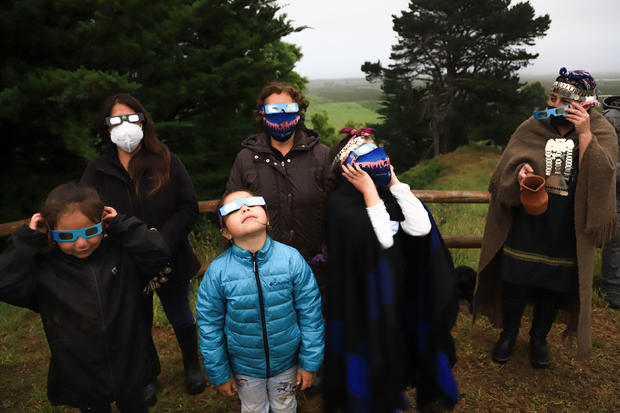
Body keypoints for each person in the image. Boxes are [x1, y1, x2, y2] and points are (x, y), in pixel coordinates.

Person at [474, 68, 618, 368]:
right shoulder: (533, 126)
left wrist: (585, 135)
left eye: (562, 100)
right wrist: (521, 172)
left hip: (567, 225)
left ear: (585, 105)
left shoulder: (602, 130)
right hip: (529, 219)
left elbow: (603, 176)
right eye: (552, 98)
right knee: (515, 279)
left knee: (554, 285)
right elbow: (508, 165)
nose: (554, 105)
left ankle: (539, 338)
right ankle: (509, 335)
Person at [0, 183, 170, 413]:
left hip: (129, 363)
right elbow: (5, 282)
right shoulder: (45, 270)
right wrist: (26, 239)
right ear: (50, 231)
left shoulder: (121, 254)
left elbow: (158, 253)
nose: (81, 243)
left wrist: (122, 224)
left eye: (90, 232)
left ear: (103, 224)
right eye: (67, 236)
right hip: (81, 373)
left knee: (135, 406)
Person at [322, 129, 460, 412]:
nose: (379, 160)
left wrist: (394, 182)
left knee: (400, 343)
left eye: (380, 153)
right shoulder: (340, 204)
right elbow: (382, 239)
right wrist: (370, 192)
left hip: (398, 289)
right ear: (347, 168)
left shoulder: (389, 195)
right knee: (375, 350)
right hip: (365, 300)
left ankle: (397, 390)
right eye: (366, 156)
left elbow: (421, 227)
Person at [80, 93, 206, 403]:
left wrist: (161, 242)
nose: (124, 126)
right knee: (138, 322)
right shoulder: (97, 169)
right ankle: (146, 375)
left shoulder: (167, 160)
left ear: (143, 120)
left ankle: (193, 364)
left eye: (131, 117)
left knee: (180, 316)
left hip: (170, 257)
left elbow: (187, 207)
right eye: (115, 119)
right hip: (124, 263)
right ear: (105, 127)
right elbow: (84, 211)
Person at [196, 189, 324, 413]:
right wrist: (220, 373)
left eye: (252, 203)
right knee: (254, 408)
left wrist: (310, 362)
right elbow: (209, 327)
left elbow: (311, 314)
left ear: (267, 217)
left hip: (288, 363)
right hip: (245, 368)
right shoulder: (217, 272)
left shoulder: (291, 259)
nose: (245, 208)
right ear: (225, 232)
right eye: (233, 208)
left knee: (285, 407)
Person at [225, 82, 330, 290]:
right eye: (273, 110)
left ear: (299, 113)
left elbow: (336, 206)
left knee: (315, 321)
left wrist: (328, 252)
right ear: (262, 115)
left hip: (315, 268)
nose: (281, 115)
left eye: (288, 109)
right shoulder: (246, 159)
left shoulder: (322, 155)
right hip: (263, 269)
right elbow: (231, 209)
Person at [601, 95, 620, 310]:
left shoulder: (608, 117)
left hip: (613, 184)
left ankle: (613, 289)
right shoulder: (610, 119)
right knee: (615, 237)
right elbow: (604, 157)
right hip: (613, 187)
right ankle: (613, 289)